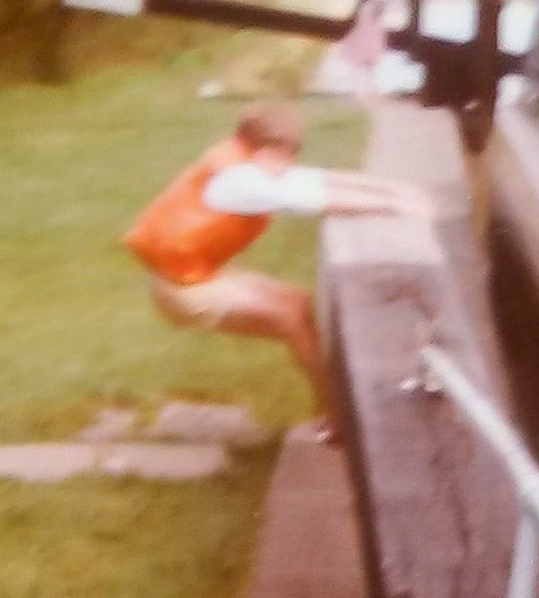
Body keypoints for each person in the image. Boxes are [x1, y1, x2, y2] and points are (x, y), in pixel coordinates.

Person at [125, 100, 427, 438]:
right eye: (285, 156)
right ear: (262, 149)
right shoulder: (240, 183)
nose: (290, 165)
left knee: (300, 304)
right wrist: (392, 207)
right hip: (185, 294)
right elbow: (321, 199)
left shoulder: (241, 159)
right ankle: (340, 420)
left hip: (191, 277)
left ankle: (334, 410)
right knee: (291, 319)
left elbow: (317, 178)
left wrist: (395, 192)